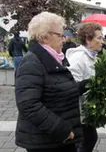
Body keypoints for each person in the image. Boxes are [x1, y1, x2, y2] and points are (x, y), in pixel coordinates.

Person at [14, 12, 84, 152]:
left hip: (57, 140)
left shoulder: (52, 59)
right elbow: (28, 105)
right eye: (60, 35)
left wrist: (85, 85)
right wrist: (62, 130)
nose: (63, 39)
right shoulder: (32, 62)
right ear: (45, 37)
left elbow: (57, 90)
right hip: (47, 142)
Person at [66, 22, 104, 152]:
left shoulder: (93, 57)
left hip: (86, 111)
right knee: (86, 141)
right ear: (88, 39)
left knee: (89, 139)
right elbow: (71, 88)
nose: (102, 41)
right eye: (99, 38)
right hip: (79, 113)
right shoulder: (78, 58)